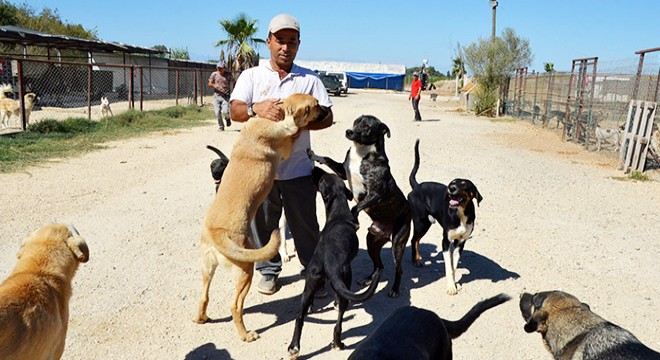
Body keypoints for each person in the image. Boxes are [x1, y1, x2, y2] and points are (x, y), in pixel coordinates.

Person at [230, 13, 334, 295]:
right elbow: (234, 110)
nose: (285, 47)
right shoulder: (252, 76)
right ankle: (269, 270)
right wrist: (255, 109)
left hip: (298, 168)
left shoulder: (309, 80)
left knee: (305, 226)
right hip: (261, 170)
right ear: (268, 42)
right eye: (280, 41)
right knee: (262, 223)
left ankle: (314, 272)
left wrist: (303, 123)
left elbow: (328, 116)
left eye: (291, 41)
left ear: (298, 45)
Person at [208, 60, 232, 131]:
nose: (219, 69)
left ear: (224, 68)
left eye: (221, 68)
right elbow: (209, 83)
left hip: (226, 96)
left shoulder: (228, 75)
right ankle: (221, 126)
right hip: (217, 96)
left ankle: (227, 118)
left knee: (225, 111)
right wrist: (213, 85)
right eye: (218, 68)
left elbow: (234, 81)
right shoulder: (214, 74)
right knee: (217, 112)